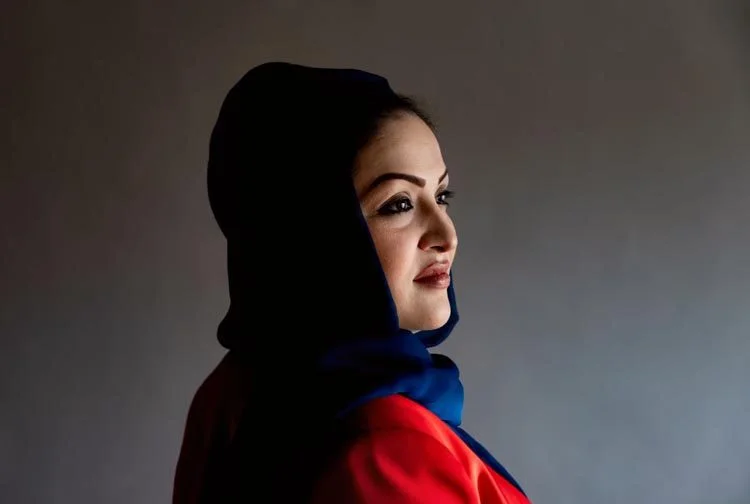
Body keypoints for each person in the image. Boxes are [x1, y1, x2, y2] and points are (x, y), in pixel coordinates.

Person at [173, 61, 531, 503]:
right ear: (319, 234)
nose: (447, 236)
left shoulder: (237, 388)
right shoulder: (385, 450)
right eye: (398, 204)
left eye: (441, 196)